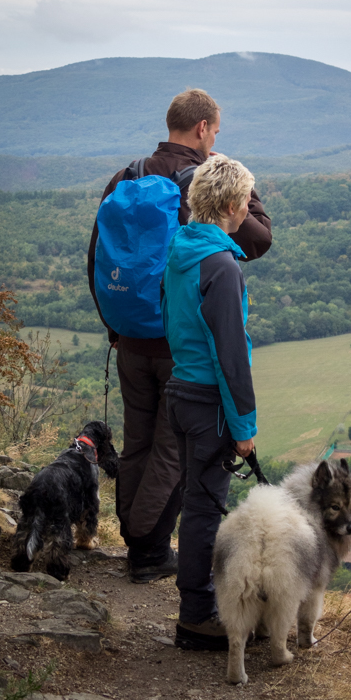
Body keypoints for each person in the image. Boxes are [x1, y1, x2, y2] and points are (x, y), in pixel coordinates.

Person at [87, 89, 271, 583]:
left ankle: (137, 539)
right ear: (204, 129)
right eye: (217, 131)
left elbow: (98, 258)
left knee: (137, 444)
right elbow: (257, 240)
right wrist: (243, 185)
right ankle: (146, 551)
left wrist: (115, 327)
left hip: (128, 340)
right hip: (177, 349)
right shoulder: (197, 183)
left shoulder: (126, 176)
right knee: (172, 455)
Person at [161, 154, 257, 651]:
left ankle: (197, 610)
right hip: (207, 405)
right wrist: (244, 425)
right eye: (245, 200)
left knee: (195, 505)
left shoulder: (180, 250)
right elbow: (231, 355)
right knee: (204, 511)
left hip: (179, 393)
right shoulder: (220, 265)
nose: (247, 208)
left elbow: (170, 323)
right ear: (231, 205)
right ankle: (197, 618)